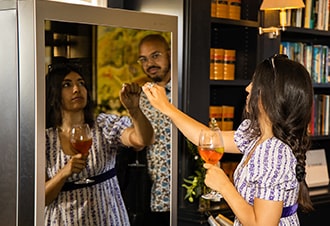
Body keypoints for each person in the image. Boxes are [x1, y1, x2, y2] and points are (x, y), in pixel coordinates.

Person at [142, 54, 314, 225]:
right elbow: (208, 137)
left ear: (271, 95)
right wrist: (167, 108)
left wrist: (224, 185)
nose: (248, 88)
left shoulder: (273, 152)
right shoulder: (256, 136)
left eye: (255, 83)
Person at [44, 60, 154, 226]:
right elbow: (40, 198)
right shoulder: (44, 139)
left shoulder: (103, 125)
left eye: (81, 83)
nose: (76, 89)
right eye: (66, 85)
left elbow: (143, 139)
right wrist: (64, 173)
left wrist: (134, 110)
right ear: (53, 95)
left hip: (107, 218)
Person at [137, 34, 171, 225]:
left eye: (155, 55)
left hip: (182, 194)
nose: (150, 63)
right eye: (144, 59)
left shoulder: (184, 90)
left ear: (169, 54)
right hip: (152, 195)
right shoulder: (143, 96)